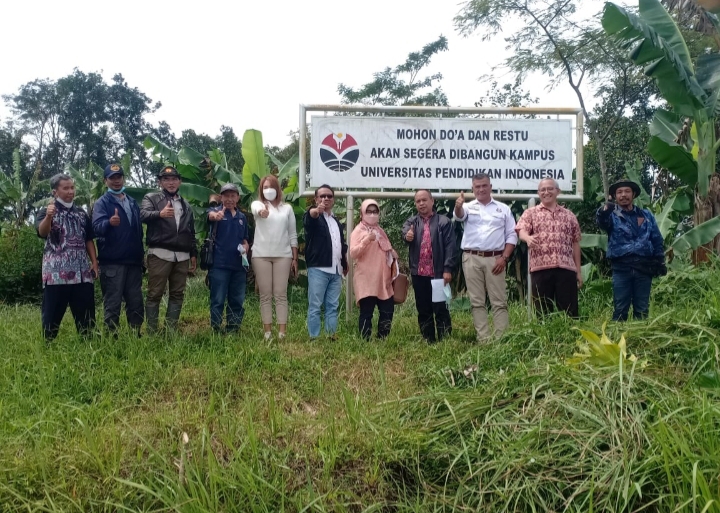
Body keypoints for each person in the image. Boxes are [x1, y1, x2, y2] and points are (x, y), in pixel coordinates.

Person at [453, 173, 517, 341]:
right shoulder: (467, 207)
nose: (481, 189)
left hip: (496, 259)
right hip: (471, 258)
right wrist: (458, 206)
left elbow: (511, 235)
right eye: (477, 186)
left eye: (484, 186)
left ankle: (501, 339)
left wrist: (504, 258)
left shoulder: (503, 209)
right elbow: (459, 216)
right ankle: (484, 340)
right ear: (472, 189)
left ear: (490, 186)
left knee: (499, 302)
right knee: (477, 301)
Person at [36, 173, 99, 341]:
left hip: (82, 273)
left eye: (72, 187)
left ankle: (89, 343)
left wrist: (94, 262)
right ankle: (48, 344)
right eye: (66, 188)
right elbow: (42, 233)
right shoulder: (46, 211)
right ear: (55, 192)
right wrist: (49, 216)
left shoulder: (81, 213)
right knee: (52, 314)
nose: (70, 191)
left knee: (86, 315)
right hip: (57, 274)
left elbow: (88, 239)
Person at [597, 180, 666, 321]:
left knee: (642, 309)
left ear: (633, 194)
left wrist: (660, 260)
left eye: (627, 191)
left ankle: (640, 340)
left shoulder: (646, 215)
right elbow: (601, 222)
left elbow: (656, 238)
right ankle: (617, 339)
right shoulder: (611, 215)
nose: (623, 195)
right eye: (619, 192)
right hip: (621, 268)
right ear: (614, 196)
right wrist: (604, 211)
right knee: (620, 308)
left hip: (644, 268)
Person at [140, 165, 197, 333]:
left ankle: (171, 330)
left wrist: (193, 253)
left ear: (179, 182)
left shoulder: (185, 204)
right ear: (160, 182)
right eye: (166, 179)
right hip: (160, 253)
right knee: (155, 293)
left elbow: (191, 231)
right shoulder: (152, 198)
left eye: (174, 179)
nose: (170, 182)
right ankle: (151, 331)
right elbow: (142, 214)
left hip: (182, 255)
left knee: (177, 293)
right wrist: (159, 214)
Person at [516, 178, 582, 317]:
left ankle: (570, 337)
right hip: (540, 269)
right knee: (542, 312)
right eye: (542, 190)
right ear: (538, 193)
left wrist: (578, 272)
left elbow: (576, 242)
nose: (546, 192)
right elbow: (521, 230)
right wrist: (527, 238)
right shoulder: (530, 213)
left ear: (558, 191)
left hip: (566, 269)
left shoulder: (569, 215)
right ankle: (545, 338)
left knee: (570, 311)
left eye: (550, 189)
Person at [92, 163, 144, 336]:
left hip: (134, 261)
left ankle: (135, 334)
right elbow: (96, 228)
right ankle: (111, 335)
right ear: (105, 180)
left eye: (119, 177)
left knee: (135, 300)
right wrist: (109, 223)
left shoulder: (131, 202)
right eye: (112, 178)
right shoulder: (102, 203)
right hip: (112, 262)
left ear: (123, 178)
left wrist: (141, 256)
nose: (116, 181)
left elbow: (138, 231)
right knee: (113, 301)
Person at [402, 190, 457, 343]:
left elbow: (451, 247)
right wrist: (408, 236)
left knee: (440, 308)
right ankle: (429, 340)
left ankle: (445, 339)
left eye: (424, 200)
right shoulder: (412, 222)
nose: (421, 203)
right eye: (418, 201)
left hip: (438, 274)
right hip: (419, 274)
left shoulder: (443, 222)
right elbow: (405, 233)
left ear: (432, 201)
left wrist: (447, 269)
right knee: (423, 309)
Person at [251, 175, 298, 341]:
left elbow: (292, 234)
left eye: (271, 187)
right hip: (260, 255)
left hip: (283, 256)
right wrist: (262, 211)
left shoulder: (287, 209)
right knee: (265, 294)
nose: (268, 190)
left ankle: (282, 332)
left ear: (277, 189)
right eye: (265, 187)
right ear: (261, 190)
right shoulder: (258, 205)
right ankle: (267, 332)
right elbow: (256, 208)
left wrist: (294, 257)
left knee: (280, 293)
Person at [303, 184, 348, 339]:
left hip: (336, 270)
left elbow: (341, 245)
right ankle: (314, 338)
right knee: (315, 306)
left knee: (333, 306)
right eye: (322, 196)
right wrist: (316, 211)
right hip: (318, 269)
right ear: (316, 199)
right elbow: (311, 216)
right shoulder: (313, 216)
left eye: (329, 196)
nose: (326, 198)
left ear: (333, 199)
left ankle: (331, 337)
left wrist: (345, 264)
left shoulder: (336, 221)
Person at [349, 199, 398, 340]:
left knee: (387, 310)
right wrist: (366, 240)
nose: (372, 214)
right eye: (368, 211)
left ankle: (383, 339)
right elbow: (353, 253)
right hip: (366, 278)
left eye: (375, 211)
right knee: (367, 312)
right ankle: (365, 340)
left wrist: (392, 252)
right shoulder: (358, 231)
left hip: (383, 279)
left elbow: (386, 248)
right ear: (362, 214)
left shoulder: (380, 231)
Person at [207, 183, 250, 333]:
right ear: (221, 197)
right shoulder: (215, 211)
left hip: (239, 266)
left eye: (233, 196)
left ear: (238, 198)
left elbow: (245, 239)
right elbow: (210, 216)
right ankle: (216, 328)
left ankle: (233, 327)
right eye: (226, 196)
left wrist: (246, 247)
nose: (229, 199)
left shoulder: (242, 217)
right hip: (219, 264)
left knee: (237, 299)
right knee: (217, 299)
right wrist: (215, 216)